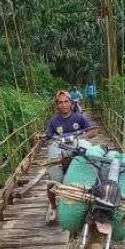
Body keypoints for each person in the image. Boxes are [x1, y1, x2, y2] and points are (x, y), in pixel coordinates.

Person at [42, 90, 97, 223]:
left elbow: (93, 131)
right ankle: (54, 208)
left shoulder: (79, 118)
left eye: (66, 101)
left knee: (88, 151)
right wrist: (43, 137)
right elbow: (47, 135)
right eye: (60, 102)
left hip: (77, 146)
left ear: (71, 103)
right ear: (57, 105)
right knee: (52, 180)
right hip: (60, 148)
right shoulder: (53, 122)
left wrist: (82, 136)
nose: (63, 105)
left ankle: (91, 198)